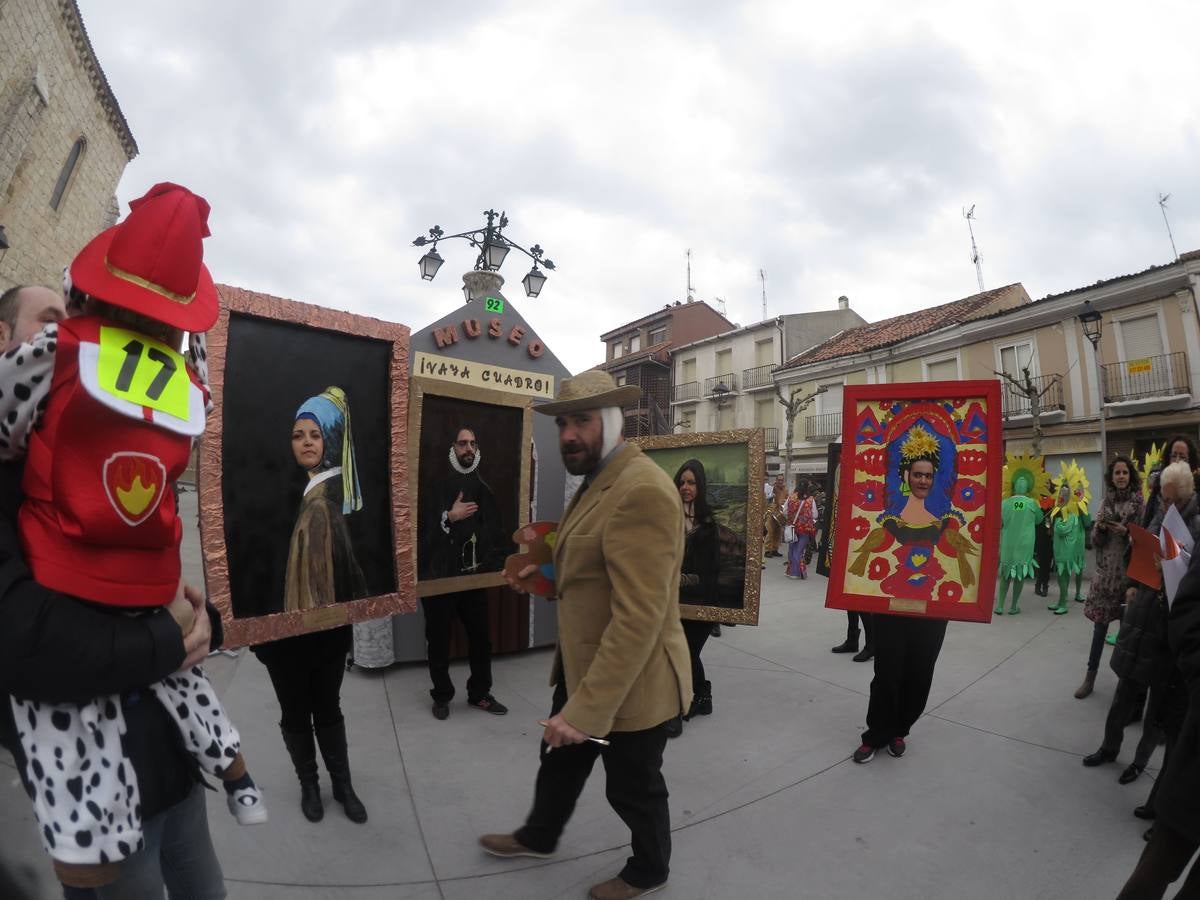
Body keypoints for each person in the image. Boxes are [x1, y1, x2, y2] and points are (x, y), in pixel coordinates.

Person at [0, 186, 266, 892]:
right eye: (50, 316)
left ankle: (206, 784)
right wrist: (173, 635)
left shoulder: (58, 366)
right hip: (106, 756)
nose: (69, 326)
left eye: (73, 308)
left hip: (168, 762)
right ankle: (98, 853)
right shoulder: (180, 380)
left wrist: (201, 623)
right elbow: (25, 649)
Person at [480, 370, 690, 900]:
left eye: (582, 421)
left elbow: (639, 615)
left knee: (633, 788)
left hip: (632, 682)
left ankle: (649, 870)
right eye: (563, 423)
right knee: (559, 763)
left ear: (612, 422)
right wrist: (546, 577)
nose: (568, 434)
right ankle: (539, 836)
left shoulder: (641, 491)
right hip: (583, 667)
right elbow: (594, 572)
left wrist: (585, 710)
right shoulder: (599, 481)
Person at [254, 387, 369, 825]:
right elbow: (261, 565)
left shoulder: (331, 502)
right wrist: (255, 629)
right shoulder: (278, 500)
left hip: (325, 634)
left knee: (328, 706)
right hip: (282, 637)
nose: (305, 442)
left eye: (315, 435)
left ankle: (342, 783)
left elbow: (350, 570)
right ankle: (309, 784)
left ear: (329, 442)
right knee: (293, 710)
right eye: (298, 434)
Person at [850, 423, 966, 764]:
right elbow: (868, 557)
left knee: (919, 672)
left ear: (935, 479)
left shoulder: (946, 521)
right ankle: (875, 733)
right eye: (917, 474)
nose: (923, 481)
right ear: (906, 475)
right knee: (886, 672)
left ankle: (901, 729)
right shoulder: (885, 521)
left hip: (931, 611)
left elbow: (959, 562)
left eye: (928, 476)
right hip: (891, 608)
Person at [1083, 461, 1197, 790]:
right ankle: (1108, 747)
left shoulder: (1196, 522)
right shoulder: (1160, 512)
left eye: (1173, 500)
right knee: (1124, 692)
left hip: (1171, 624)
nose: (1166, 505)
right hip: (1143, 609)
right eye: (1163, 499)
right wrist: (1132, 583)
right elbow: (1143, 548)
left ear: (1188, 495)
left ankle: (1140, 762)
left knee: (1157, 708)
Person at [1115, 475, 1200, 898]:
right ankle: (1143, 780)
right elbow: (1189, 608)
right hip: (1159, 631)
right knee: (1156, 869)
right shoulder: (1166, 517)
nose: (1165, 500)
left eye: (1171, 496)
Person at [416, 426, 509, 720]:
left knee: (481, 638)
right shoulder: (433, 487)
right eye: (462, 444)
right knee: (439, 640)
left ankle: (479, 694)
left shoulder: (485, 489)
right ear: (451, 449)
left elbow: (496, 535)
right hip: (438, 579)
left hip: (473, 580)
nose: (468, 448)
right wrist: (450, 517)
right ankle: (441, 695)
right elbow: (419, 536)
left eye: (472, 443)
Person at [1075, 456, 1142, 698]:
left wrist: (1128, 534)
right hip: (1104, 579)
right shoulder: (1104, 503)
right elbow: (1094, 541)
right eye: (1117, 473)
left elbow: (1144, 542)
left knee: (1126, 636)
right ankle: (1089, 678)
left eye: (1125, 472)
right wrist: (1100, 530)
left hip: (1127, 581)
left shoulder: (1138, 505)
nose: (1121, 476)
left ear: (1130, 476)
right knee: (1099, 632)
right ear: (1111, 477)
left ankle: (1124, 685)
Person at [668, 459, 720, 738]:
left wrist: (680, 580)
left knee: (685, 653)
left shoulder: (709, 524)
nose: (685, 487)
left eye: (691, 482)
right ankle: (703, 696)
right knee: (680, 653)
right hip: (668, 602)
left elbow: (710, 572)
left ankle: (676, 710)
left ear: (700, 486)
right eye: (682, 482)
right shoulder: (667, 516)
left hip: (700, 602)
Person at [995, 461, 1045, 616]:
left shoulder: (1004, 503)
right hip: (1024, 544)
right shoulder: (1032, 503)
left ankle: (1000, 605)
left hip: (1008, 543)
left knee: (1005, 574)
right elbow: (1039, 520)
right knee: (1019, 574)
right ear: (1028, 488)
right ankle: (1014, 606)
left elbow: (1001, 521)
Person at [1048, 464, 1091, 615]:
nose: (1065, 491)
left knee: (1075, 566)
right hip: (1062, 540)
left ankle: (1071, 596)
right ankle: (1064, 599)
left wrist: (1082, 507)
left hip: (1076, 538)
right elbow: (1053, 520)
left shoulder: (1081, 504)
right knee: (1064, 568)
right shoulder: (1060, 504)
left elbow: (1087, 523)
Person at [785, 482, 816, 579]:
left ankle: (791, 571)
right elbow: (815, 515)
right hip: (805, 529)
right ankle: (796, 572)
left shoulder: (791, 497)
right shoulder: (811, 500)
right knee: (799, 551)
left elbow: (785, 510)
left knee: (792, 549)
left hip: (793, 528)